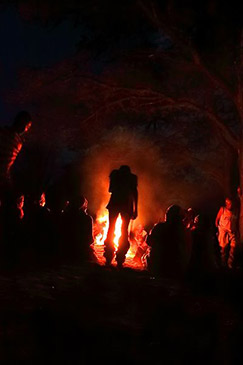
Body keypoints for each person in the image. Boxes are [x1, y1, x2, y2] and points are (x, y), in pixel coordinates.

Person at [104, 165, 138, 268]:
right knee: (124, 231)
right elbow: (135, 193)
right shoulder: (132, 178)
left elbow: (110, 190)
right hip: (126, 205)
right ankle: (120, 258)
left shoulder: (115, 175)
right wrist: (136, 209)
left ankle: (109, 257)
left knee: (111, 229)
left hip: (115, 203)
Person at [146, 205, 187, 277]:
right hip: (176, 269)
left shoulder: (160, 227)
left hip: (159, 266)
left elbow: (149, 241)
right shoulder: (184, 231)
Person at [215, 197, 238, 269]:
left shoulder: (235, 211)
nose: (230, 205)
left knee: (233, 246)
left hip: (232, 230)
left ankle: (230, 263)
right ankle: (223, 264)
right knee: (223, 248)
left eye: (231, 203)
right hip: (223, 229)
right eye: (228, 204)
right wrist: (218, 229)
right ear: (226, 204)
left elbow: (236, 222)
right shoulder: (223, 209)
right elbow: (217, 218)